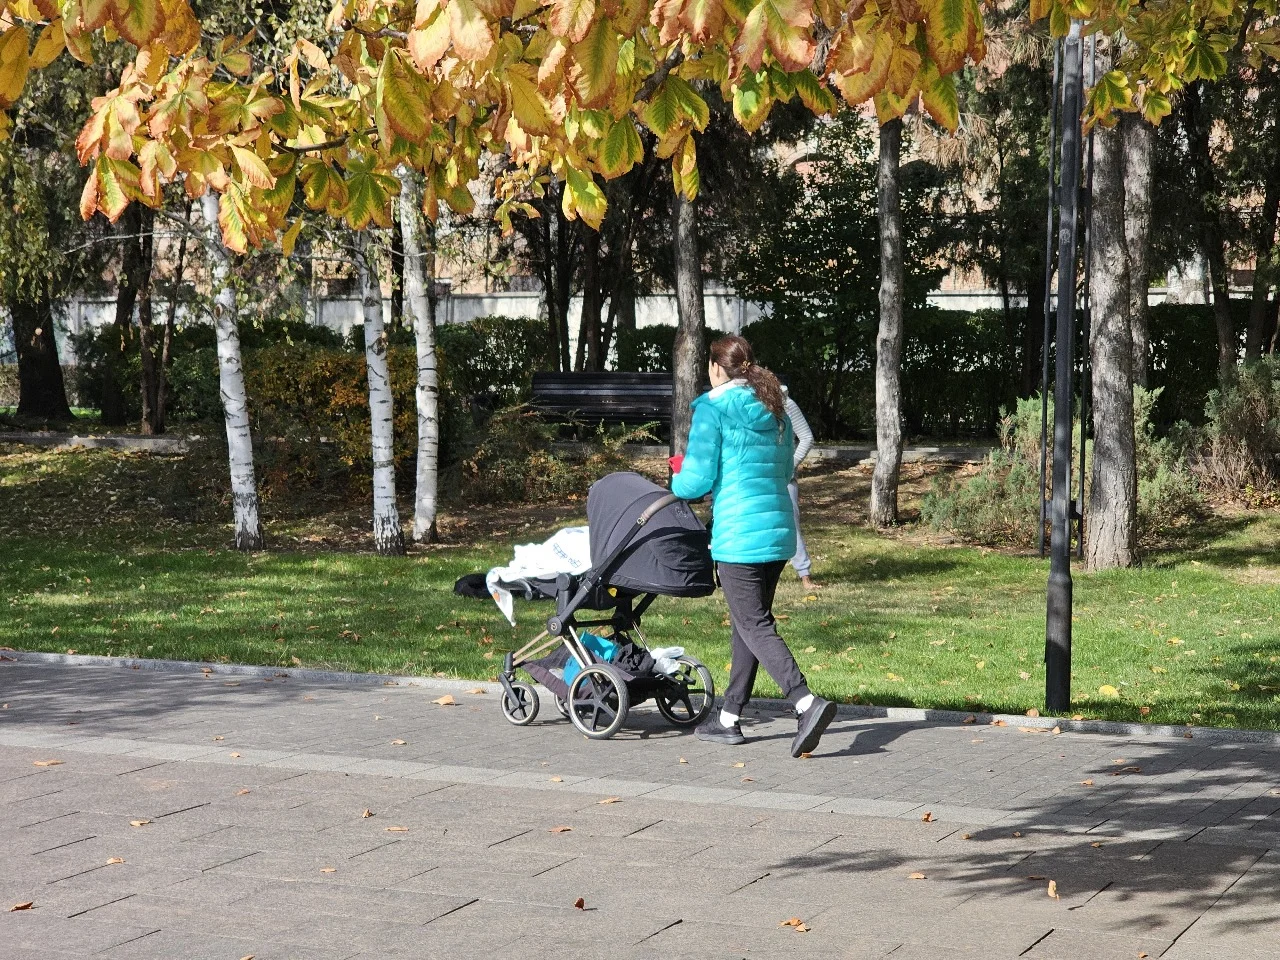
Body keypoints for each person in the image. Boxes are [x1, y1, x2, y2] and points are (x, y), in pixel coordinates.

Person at [670, 335, 837, 757]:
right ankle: (729, 719)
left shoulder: (713, 408)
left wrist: (676, 477)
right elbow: (784, 468)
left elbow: (696, 482)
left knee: (755, 624)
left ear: (714, 368)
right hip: (777, 530)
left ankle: (805, 701)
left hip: (738, 535)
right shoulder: (773, 404)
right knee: (750, 622)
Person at [783, 389, 818, 591]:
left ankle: (805, 575)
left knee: (791, 523)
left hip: (784, 477)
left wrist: (790, 465)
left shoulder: (785, 402)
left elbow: (806, 438)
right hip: (756, 476)